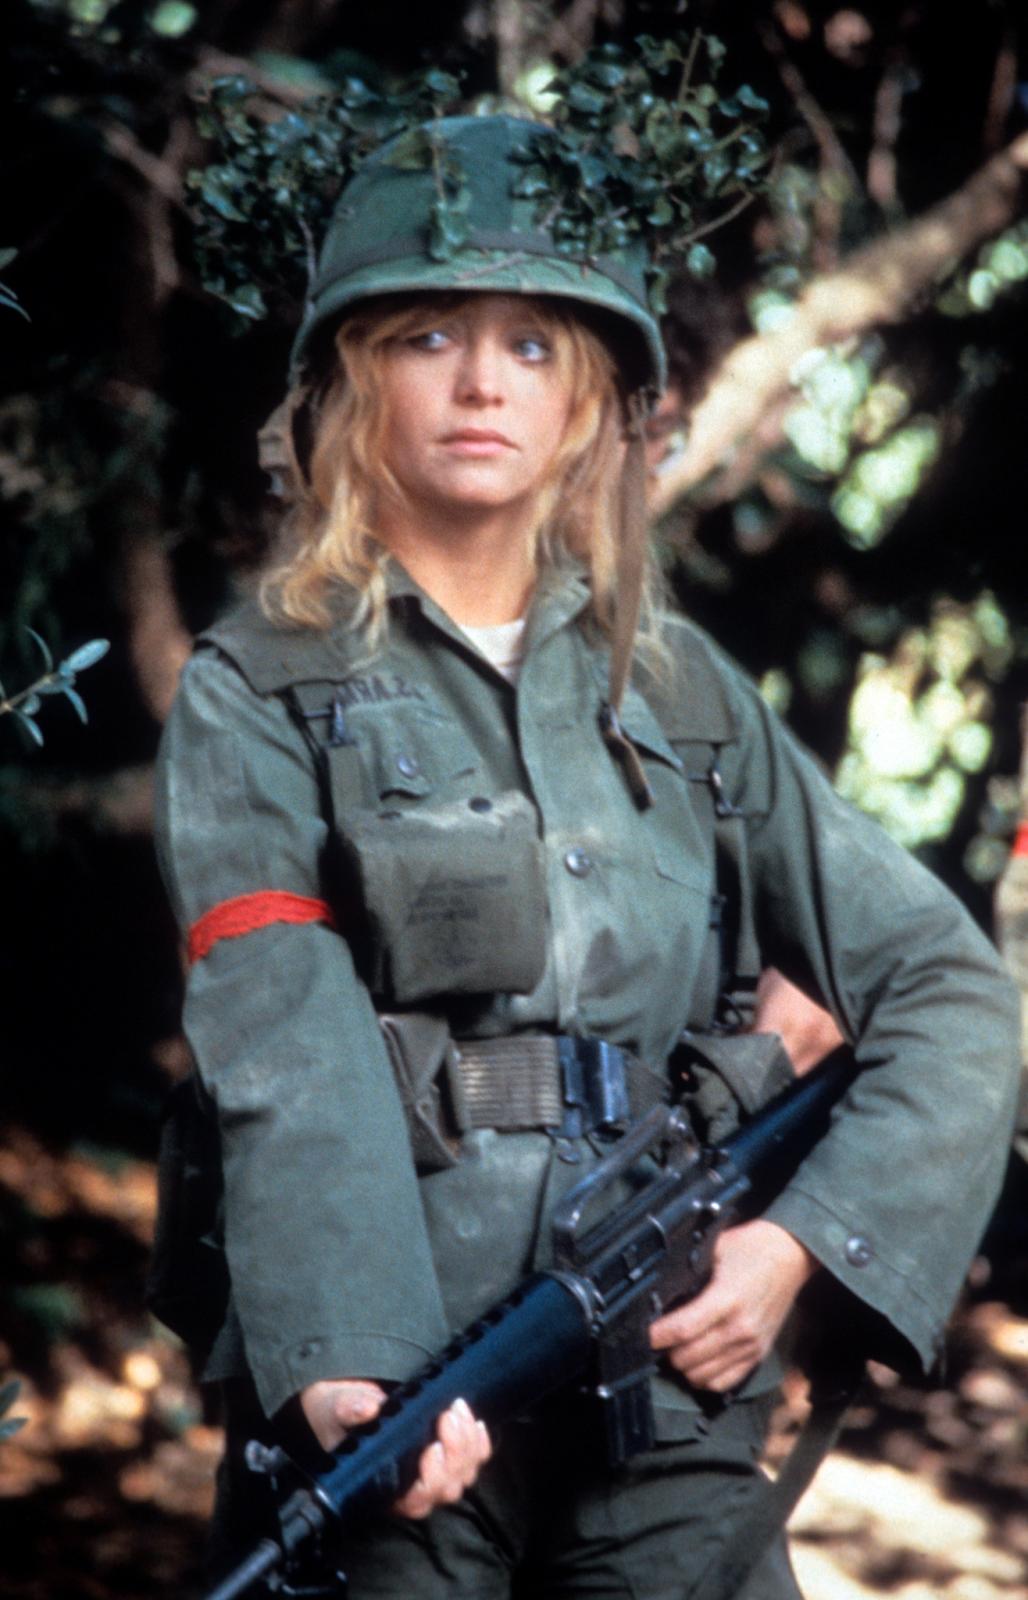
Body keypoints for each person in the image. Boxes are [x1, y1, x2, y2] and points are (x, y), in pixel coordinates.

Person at [153, 113, 1020, 1599]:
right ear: (353, 380)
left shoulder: (678, 692)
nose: (484, 383)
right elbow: (285, 1038)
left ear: (591, 402)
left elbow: (949, 985)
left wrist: (795, 1250)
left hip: (669, 1372)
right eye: (429, 336)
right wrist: (346, 1364)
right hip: (414, 1377)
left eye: (535, 345)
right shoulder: (260, 691)